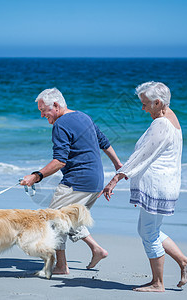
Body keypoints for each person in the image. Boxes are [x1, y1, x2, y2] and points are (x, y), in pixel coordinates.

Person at [100, 81, 187, 292]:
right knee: (148, 230)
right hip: (165, 183)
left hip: (158, 185)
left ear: (158, 102)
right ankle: (184, 262)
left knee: (149, 233)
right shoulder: (171, 115)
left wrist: (115, 179)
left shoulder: (161, 124)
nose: (142, 108)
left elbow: (141, 156)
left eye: (145, 104)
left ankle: (158, 283)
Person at [20, 87, 122, 275]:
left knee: (52, 219)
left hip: (78, 181)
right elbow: (104, 142)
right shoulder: (84, 116)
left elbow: (60, 161)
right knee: (69, 219)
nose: (42, 115)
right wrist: (118, 165)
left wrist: (36, 176)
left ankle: (61, 266)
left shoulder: (61, 124)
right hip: (95, 182)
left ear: (56, 106)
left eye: (44, 111)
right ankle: (96, 250)